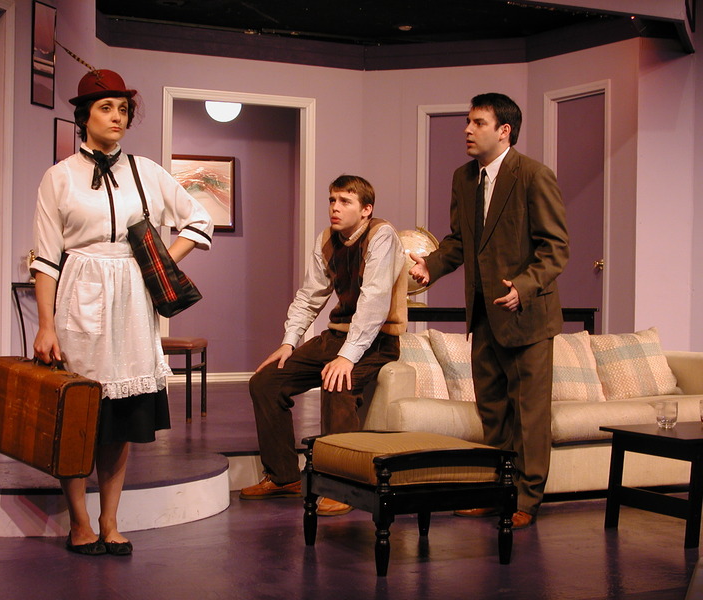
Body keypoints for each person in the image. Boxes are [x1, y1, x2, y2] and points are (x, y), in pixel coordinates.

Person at [31, 68, 213, 555]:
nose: (117, 117)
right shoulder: (59, 177)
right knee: (79, 414)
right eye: (106, 108)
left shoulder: (146, 171)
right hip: (79, 293)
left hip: (133, 300)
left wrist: (158, 263)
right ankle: (79, 522)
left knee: (120, 420)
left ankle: (110, 521)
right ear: (83, 116)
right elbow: (46, 258)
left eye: (124, 109)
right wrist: (45, 326)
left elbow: (199, 219)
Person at [410, 93, 569, 529]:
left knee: (529, 414)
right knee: (493, 411)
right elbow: (461, 241)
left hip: (527, 317)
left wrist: (524, 286)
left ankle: (526, 500)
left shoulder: (533, 175)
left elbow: (555, 249)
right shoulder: (464, 178)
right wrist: (431, 266)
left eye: (478, 122)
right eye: (468, 121)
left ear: (504, 131)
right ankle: (495, 492)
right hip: (483, 317)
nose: (467, 129)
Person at [240, 175, 408, 516]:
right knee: (266, 382)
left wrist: (347, 357)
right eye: (332, 200)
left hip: (377, 339)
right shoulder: (327, 240)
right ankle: (284, 476)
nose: (335, 207)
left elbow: (374, 302)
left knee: (337, 382)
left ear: (366, 209)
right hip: (336, 336)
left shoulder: (381, 235)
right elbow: (310, 295)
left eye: (345, 201)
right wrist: (289, 342)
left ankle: (344, 485)